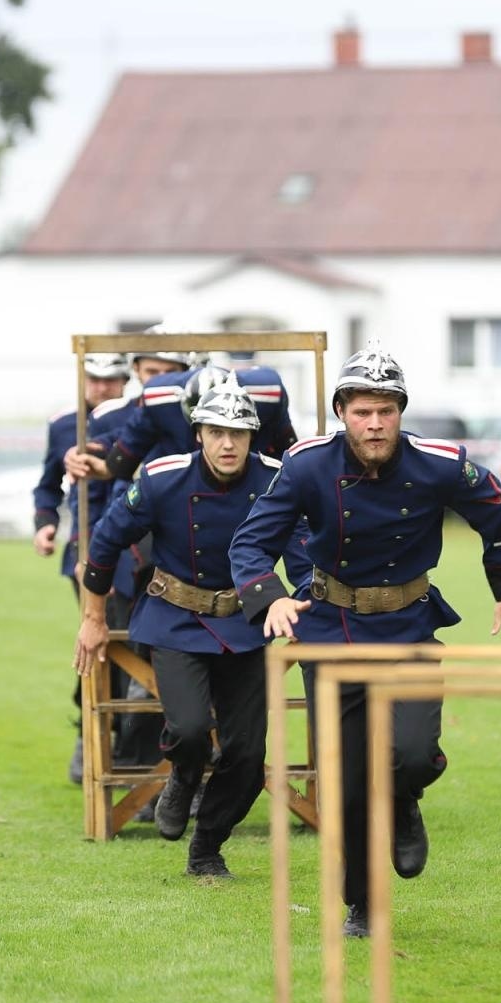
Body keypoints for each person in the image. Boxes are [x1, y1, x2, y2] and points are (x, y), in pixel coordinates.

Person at [229, 343, 501, 937]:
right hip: (330, 632)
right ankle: (364, 904)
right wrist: (269, 598)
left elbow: (495, 505)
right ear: (341, 412)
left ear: (400, 412)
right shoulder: (306, 466)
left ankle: (403, 800)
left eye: (386, 411)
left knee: (414, 754)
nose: (374, 424)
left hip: (408, 626)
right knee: (344, 783)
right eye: (362, 412)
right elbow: (251, 541)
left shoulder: (438, 464)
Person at [75, 375, 306, 878]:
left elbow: (304, 554)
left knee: (247, 755)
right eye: (216, 432)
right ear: (198, 433)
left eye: (238, 433)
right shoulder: (162, 478)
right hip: (175, 619)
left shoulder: (277, 480)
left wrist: (300, 602)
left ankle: (207, 846)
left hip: (246, 623)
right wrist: (93, 618)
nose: (228, 444)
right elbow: (105, 543)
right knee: (190, 730)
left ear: (253, 436)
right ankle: (182, 774)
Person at [32, 352, 135, 784]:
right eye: (94, 379)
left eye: (111, 380)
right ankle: (90, 735)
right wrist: (45, 524)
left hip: (136, 547)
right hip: (86, 550)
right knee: (97, 643)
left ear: (126, 381)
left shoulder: (138, 421)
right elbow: (47, 487)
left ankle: (133, 744)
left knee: (137, 648)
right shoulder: (63, 426)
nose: (102, 387)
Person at [64, 360, 298, 485]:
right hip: (179, 491)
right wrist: (102, 464)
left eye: (234, 429)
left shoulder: (270, 394)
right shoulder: (158, 400)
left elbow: (290, 462)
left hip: (247, 489)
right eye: (213, 429)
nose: (225, 441)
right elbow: (128, 448)